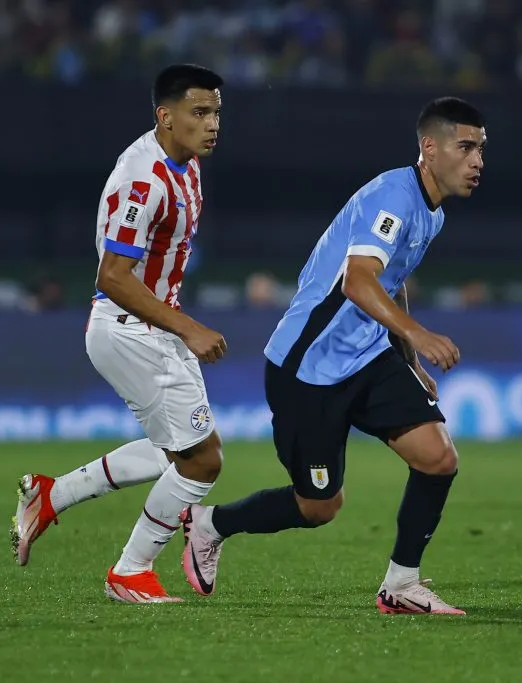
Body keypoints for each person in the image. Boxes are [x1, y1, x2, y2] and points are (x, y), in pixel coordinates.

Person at [179, 97, 486, 615]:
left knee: (438, 458)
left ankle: (401, 584)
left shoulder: (430, 212)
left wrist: (409, 361)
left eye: (482, 149)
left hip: (368, 358)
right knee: (319, 506)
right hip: (307, 371)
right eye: (467, 147)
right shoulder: (394, 198)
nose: (478, 160)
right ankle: (210, 526)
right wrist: (420, 334)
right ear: (429, 149)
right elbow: (358, 281)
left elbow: (392, 283)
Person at [11, 64, 228, 604]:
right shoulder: (143, 178)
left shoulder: (186, 164)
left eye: (216, 112)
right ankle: (130, 571)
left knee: (171, 455)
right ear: (165, 116)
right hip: (133, 329)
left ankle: (51, 496)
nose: (212, 123)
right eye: (199, 112)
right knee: (202, 461)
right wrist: (188, 327)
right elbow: (112, 277)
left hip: (152, 327)